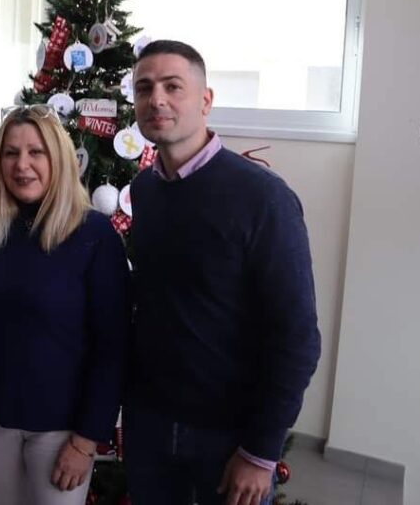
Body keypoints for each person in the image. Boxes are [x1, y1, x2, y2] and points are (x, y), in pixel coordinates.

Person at [124, 40, 321, 505]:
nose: (157, 99)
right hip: (150, 424)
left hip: (229, 435)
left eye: (173, 86)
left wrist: (261, 451)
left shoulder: (262, 198)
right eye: (144, 88)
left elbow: (296, 337)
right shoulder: (145, 190)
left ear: (206, 100)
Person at [0, 104, 129, 505]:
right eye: (11, 153)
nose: (22, 165)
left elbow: (114, 347)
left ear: (59, 159)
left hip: (62, 429)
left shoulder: (95, 236)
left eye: (36, 152)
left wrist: (86, 440)